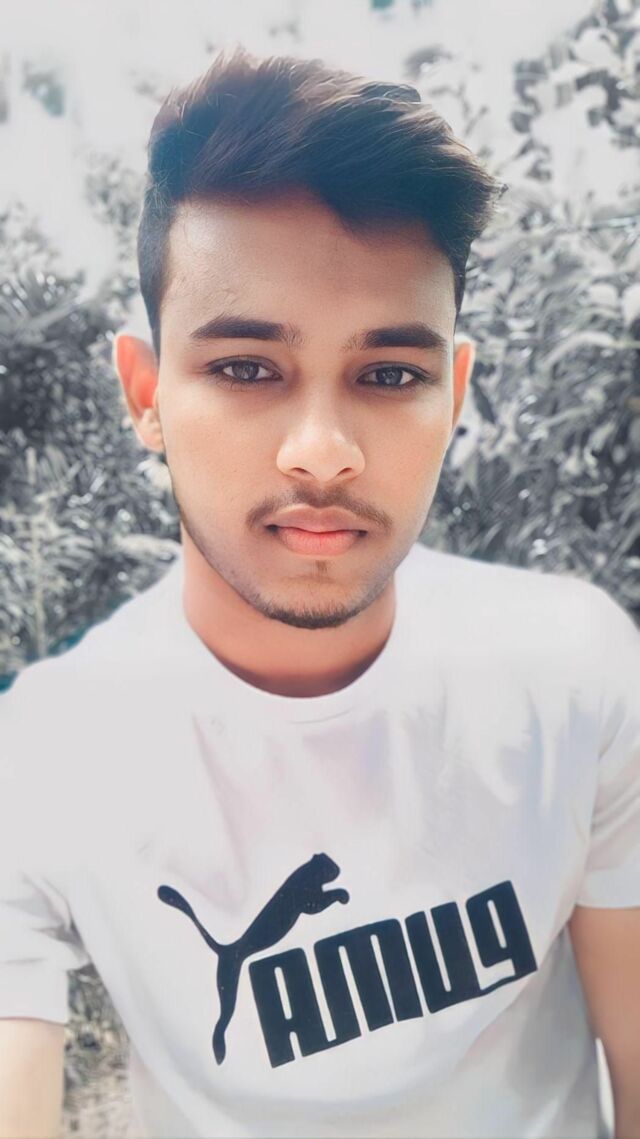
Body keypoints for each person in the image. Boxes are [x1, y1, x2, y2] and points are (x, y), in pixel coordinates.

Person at [0, 43, 638, 1139]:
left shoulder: (570, 672)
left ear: (452, 394)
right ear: (146, 395)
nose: (323, 450)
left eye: (389, 374)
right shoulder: (45, 757)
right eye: (246, 368)